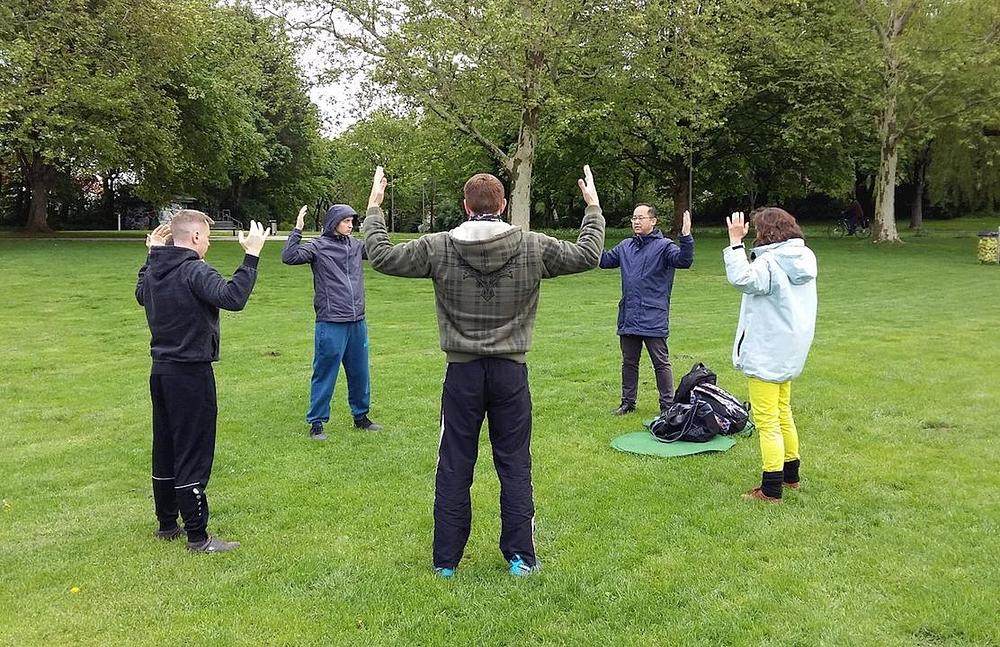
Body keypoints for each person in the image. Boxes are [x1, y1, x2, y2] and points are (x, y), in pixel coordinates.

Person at [362, 165, 605, 577]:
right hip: (511, 374)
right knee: (514, 463)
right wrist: (593, 208)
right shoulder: (531, 245)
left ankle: (446, 562)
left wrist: (374, 208)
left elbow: (381, 255)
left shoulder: (438, 246)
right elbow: (588, 253)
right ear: (504, 205)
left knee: (455, 462)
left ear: (465, 206)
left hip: (462, 373)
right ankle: (520, 558)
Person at [136, 211, 270, 551]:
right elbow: (232, 298)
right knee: (192, 450)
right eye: (207, 236)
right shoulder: (193, 269)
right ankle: (197, 536)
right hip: (190, 373)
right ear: (195, 237)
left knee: (165, 446)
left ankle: (167, 523)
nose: (208, 242)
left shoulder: (154, 268)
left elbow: (141, 293)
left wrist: (151, 252)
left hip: (161, 371)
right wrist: (251, 255)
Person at [724, 208, 817, 502]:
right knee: (783, 414)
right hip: (789, 350)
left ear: (766, 233)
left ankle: (771, 487)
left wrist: (736, 243)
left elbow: (741, 278)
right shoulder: (804, 258)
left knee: (767, 421)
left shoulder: (770, 263)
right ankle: (791, 477)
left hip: (767, 351)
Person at [282, 203, 382, 440]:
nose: (350, 225)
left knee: (360, 372)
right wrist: (297, 229)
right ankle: (316, 423)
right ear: (334, 221)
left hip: (357, 320)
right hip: (331, 320)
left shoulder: (356, 246)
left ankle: (361, 417)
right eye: (346, 221)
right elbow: (289, 256)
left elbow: (381, 252)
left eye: (352, 221)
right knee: (325, 372)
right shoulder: (318, 247)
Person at [599, 205, 694, 416]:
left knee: (660, 363)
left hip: (653, 315)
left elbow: (684, 261)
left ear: (653, 221)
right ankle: (627, 403)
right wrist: (593, 235)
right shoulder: (625, 246)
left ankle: (667, 405)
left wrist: (686, 237)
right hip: (629, 315)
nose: (636, 222)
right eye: (633, 218)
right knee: (629, 362)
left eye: (641, 218)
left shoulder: (665, 246)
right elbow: (604, 261)